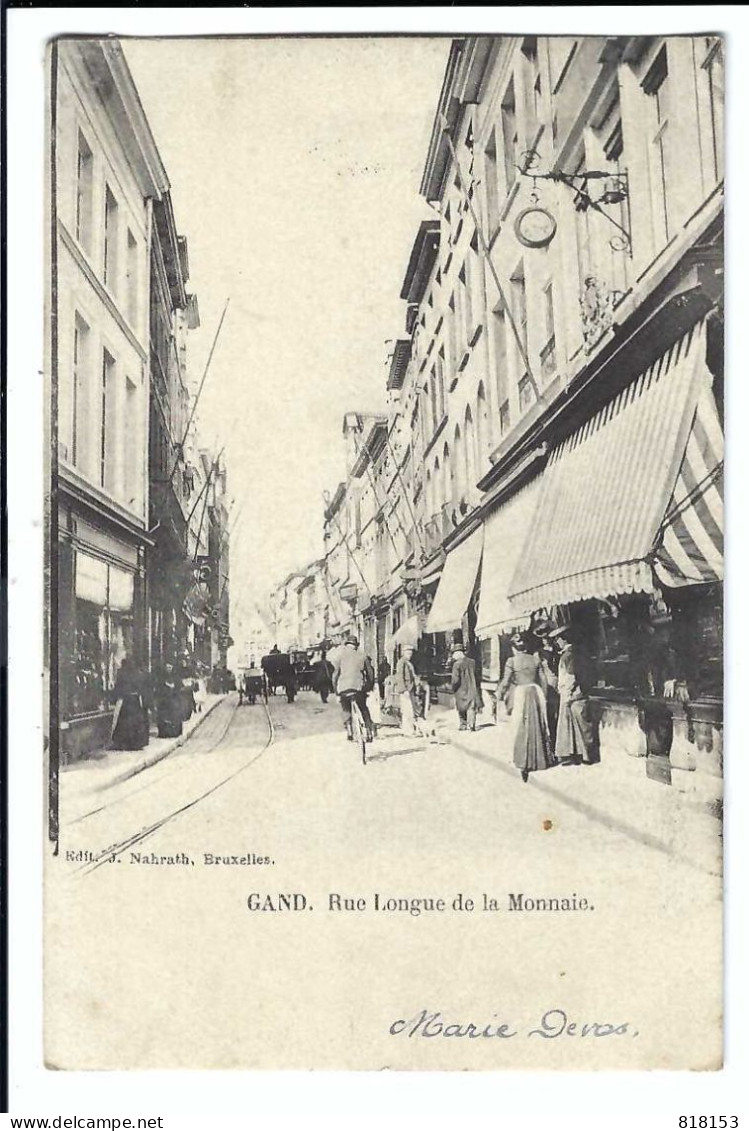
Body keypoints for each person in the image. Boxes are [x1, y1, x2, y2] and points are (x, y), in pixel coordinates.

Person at [497, 632, 555, 783]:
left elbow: (505, 681)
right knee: (539, 725)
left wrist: (499, 693)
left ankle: (523, 761)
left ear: (514, 648)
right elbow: (544, 681)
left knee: (520, 727)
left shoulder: (512, 661)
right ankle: (541, 759)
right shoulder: (535, 660)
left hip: (521, 694)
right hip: (536, 692)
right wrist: (544, 697)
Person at [546, 625, 600, 766]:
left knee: (579, 725)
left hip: (572, 694)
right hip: (574, 694)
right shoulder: (573, 653)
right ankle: (579, 755)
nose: (557, 642)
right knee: (576, 726)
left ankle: (585, 756)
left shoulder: (569, 655)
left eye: (558, 639)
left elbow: (570, 677)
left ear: (564, 639)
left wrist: (566, 694)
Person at [331, 635, 374, 742]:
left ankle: (349, 730)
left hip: (344, 688)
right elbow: (371, 673)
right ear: (356, 646)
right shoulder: (362, 656)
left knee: (346, 708)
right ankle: (369, 731)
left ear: (347, 645)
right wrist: (370, 686)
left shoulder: (340, 656)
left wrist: (336, 690)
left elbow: (335, 675)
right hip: (358, 687)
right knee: (363, 708)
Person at [110, 657, 150, 751]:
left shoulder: (122, 675)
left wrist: (113, 698)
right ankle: (136, 743)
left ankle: (124, 743)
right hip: (135, 700)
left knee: (124, 722)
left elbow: (118, 688)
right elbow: (141, 688)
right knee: (135, 722)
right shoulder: (138, 674)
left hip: (126, 701)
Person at [449, 643, 483, 732]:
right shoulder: (472, 662)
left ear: (457, 653)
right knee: (471, 707)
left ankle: (463, 724)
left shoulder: (456, 664)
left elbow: (455, 680)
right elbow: (478, 675)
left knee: (461, 707)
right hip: (472, 687)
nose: (453, 656)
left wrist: (453, 687)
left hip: (461, 689)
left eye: (453, 654)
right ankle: (471, 725)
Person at [393, 645, 423, 737]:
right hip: (406, 690)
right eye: (408, 652)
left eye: (411, 652)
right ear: (403, 652)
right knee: (407, 711)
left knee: (409, 711)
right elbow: (400, 677)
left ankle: (409, 730)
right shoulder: (401, 662)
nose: (410, 654)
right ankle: (408, 731)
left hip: (410, 689)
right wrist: (403, 690)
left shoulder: (408, 662)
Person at [153, 660, 183, 739]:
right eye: (167, 667)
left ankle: (174, 732)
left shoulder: (176, 677)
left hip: (174, 700)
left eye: (170, 667)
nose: (169, 669)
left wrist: (174, 687)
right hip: (164, 700)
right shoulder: (161, 677)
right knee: (164, 717)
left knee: (174, 716)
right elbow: (158, 689)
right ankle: (164, 733)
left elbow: (180, 687)